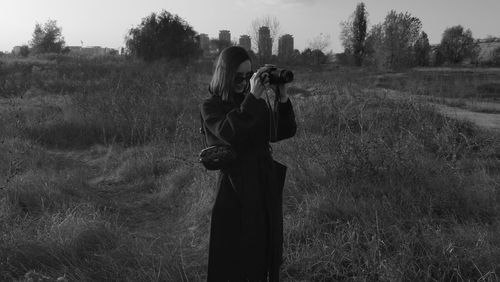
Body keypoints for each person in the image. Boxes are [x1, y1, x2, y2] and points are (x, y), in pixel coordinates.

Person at [200, 46, 297, 281]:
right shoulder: (211, 107)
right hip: (234, 189)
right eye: (238, 77)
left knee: (264, 249)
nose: (244, 82)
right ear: (225, 74)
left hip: (263, 183)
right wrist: (253, 98)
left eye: (248, 76)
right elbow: (229, 133)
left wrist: (282, 97)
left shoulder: (253, 102)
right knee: (232, 255)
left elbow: (281, 131)